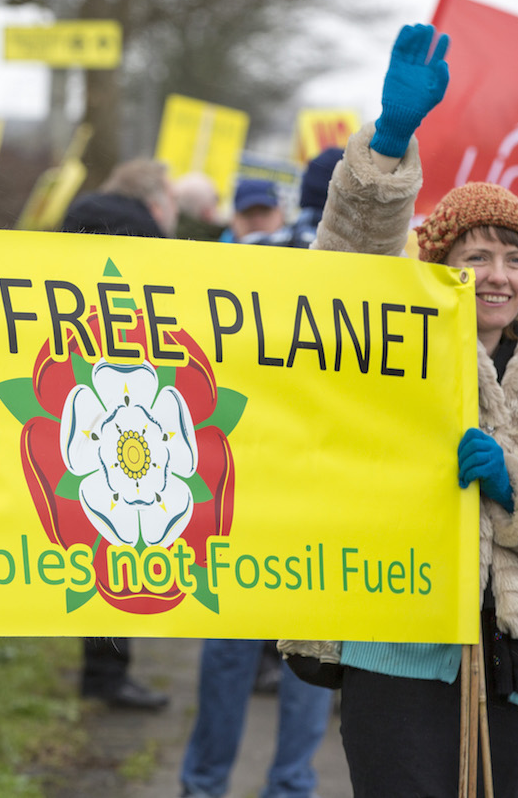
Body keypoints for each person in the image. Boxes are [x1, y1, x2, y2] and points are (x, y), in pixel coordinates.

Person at [284, 24, 518, 797]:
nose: (499, 275)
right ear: (442, 267)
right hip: (395, 645)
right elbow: (349, 264)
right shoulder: (392, 338)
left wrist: (515, 485)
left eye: (515, 258)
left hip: (511, 661)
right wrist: (390, 140)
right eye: (477, 256)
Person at [177, 149, 344, 798]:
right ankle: (290, 786)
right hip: (319, 487)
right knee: (309, 650)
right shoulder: (373, 269)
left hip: (240, 476)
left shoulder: (248, 250)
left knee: (229, 647)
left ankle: (203, 781)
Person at [59, 157, 172, 711]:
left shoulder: (75, 216)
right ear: (154, 201)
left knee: (83, 529)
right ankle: (106, 673)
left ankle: (99, 669)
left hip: (67, 387)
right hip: (124, 398)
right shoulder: (147, 233)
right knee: (117, 535)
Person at [61, 157, 177, 240]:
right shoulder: (151, 244)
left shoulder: (76, 217)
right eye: (173, 199)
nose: (177, 210)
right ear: (156, 207)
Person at [222, 176, 283, 243]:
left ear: (280, 215)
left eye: (264, 212)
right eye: (248, 214)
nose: (257, 221)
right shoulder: (215, 251)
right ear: (234, 218)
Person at [169, 171, 226, 241]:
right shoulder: (214, 239)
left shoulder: (169, 234)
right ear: (206, 212)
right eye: (215, 201)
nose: (217, 209)